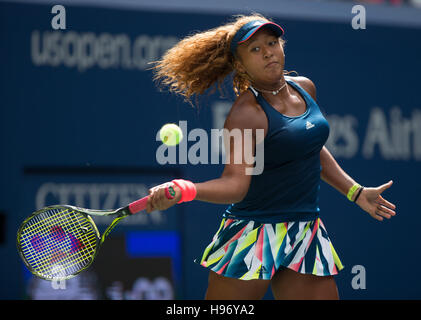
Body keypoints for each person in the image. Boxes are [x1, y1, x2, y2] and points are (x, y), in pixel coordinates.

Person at [148, 14, 397, 300]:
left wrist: (355, 191)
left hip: (304, 231)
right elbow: (235, 186)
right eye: (255, 49)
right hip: (252, 235)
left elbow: (310, 147)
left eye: (272, 42)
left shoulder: (305, 88)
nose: (268, 51)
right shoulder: (246, 114)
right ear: (240, 64)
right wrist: (185, 189)